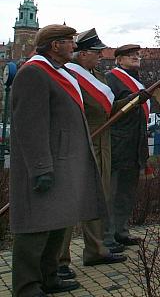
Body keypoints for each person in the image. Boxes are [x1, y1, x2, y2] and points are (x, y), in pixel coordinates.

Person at [10, 25, 105, 296]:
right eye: (69, 42)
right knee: (35, 228)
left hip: (63, 163)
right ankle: (27, 287)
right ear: (55, 45)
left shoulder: (56, 73)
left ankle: (49, 277)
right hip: (46, 164)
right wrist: (41, 168)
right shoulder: (33, 73)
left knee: (57, 223)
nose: (74, 47)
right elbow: (30, 126)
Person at [56, 29, 127, 279]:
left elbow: (106, 109)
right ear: (82, 53)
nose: (100, 57)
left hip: (101, 142)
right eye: (96, 53)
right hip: (80, 142)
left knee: (98, 198)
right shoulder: (68, 75)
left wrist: (131, 102)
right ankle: (59, 261)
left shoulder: (97, 76)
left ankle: (96, 250)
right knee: (70, 202)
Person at [105, 44, 150, 247]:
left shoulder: (136, 80)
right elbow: (110, 110)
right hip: (118, 143)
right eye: (130, 55)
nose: (136, 57)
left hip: (135, 143)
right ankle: (108, 236)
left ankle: (121, 231)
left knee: (126, 193)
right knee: (113, 193)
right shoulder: (111, 79)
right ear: (119, 59)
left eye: (137, 55)